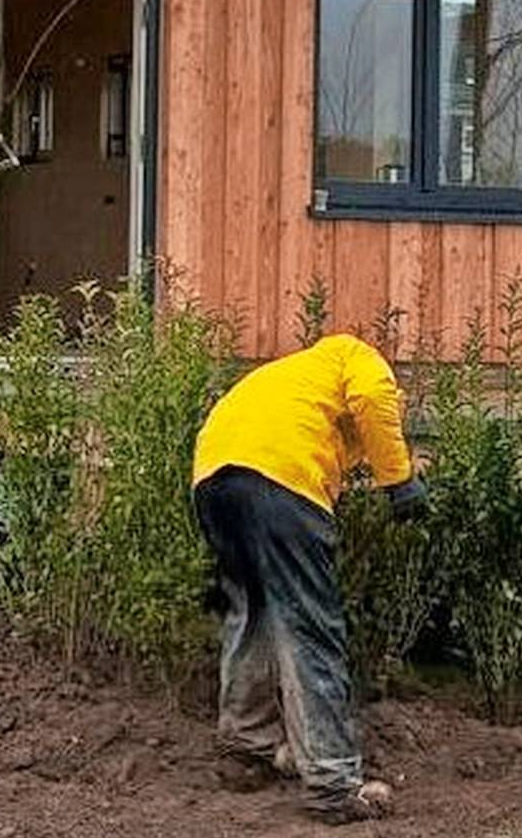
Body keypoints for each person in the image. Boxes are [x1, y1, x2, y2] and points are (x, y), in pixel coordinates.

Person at [190, 333, 427, 825]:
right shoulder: (354, 356)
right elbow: (373, 398)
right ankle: (333, 784)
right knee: (310, 627)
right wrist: (398, 480)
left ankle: (244, 750)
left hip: (213, 480)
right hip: (280, 479)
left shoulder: (288, 379)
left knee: (250, 613)